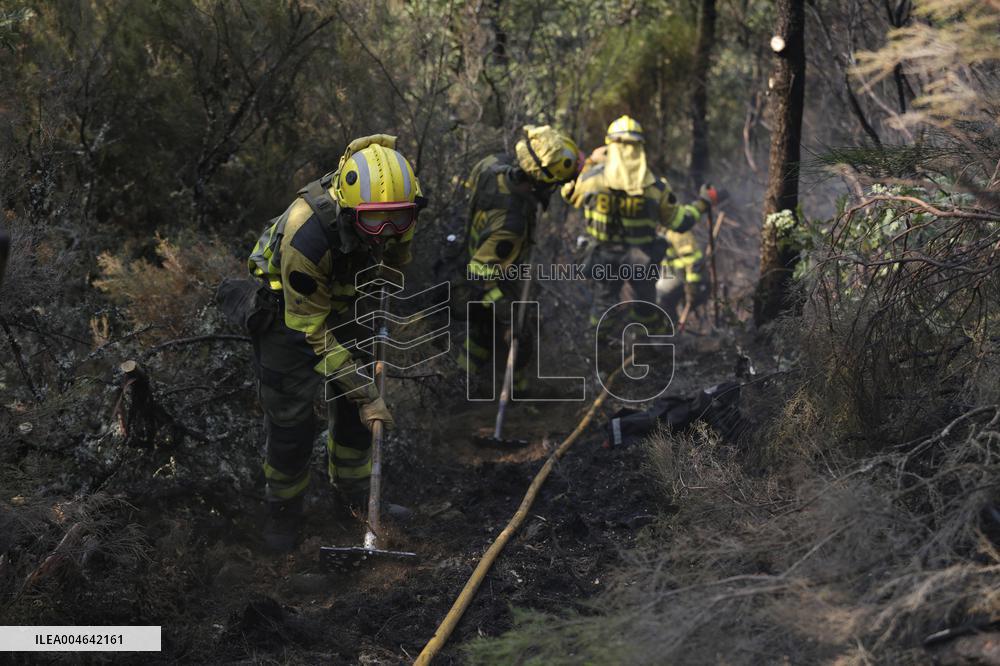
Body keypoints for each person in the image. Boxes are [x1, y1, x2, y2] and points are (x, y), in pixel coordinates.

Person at [244, 134, 425, 551]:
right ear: (347, 208)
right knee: (292, 422)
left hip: (347, 303)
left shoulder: (396, 212)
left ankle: (355, 503)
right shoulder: (304, 235)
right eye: (374, 222)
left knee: (354, 420)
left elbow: (396, 257)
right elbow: (312, 331)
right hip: (289, 316)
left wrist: (385, 290)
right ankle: (283, 515)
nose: (386, 232)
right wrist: (367, 393)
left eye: (398, 219)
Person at [562, 115, 716, 341]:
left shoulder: (591, 181)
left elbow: (568, 193)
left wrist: (592, 162)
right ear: (640, 148)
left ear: (610, 146)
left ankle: (593, 350)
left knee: (604, 304)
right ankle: (659, 348)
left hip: (603, 258)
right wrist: (703, 202)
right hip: (640, 260)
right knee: (645, 307)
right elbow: (680, 221)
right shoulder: (655, 188)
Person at [458, 125, 580, 395]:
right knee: (521, 332)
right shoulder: (511, 224)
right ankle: (515, 392)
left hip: (473, 251)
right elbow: (479, 275)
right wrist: (506, 311)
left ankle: (458, 385)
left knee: (479, 334)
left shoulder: (493, 165)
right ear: (541, 181)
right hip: (486, 276)